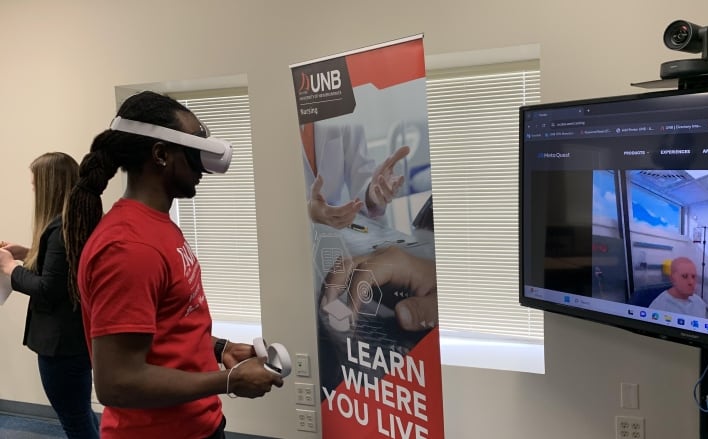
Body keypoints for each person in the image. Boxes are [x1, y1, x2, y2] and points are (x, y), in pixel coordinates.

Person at [61, 91, 282, 439]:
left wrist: (219, 348)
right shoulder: (128, 247)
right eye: (194, 151)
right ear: (161, 154)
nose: (203, 167)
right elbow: (117, 382)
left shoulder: (157, 226)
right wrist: (229, 381)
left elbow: (167, 325)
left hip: (198, 424)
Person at [0, 152, 100, 439]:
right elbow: (64, 270)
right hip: (78, 337)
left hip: (62, 344)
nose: (33, 189)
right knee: (82, 411)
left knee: (75, 419)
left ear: (48, 186)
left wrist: (8, 268)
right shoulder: (78, 221)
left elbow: (48, 289)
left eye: (35, 185)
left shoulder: (60, 229)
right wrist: (29, 253)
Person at [301, 121, 410, 229]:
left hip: (335, 236)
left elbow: (360, 171)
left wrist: (373, 192)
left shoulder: (342, 108)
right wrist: (304, 212)